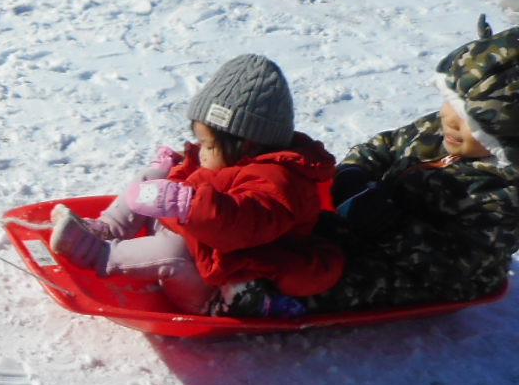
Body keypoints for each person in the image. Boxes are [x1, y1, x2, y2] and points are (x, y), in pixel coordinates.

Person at [49, 54, 341, 317]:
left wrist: (186, 204)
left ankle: (96, 254)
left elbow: (239, 225)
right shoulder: (231, 160)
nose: (202, 152)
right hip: (201, 244)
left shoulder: (279, 183)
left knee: (173, 249)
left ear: (247, 146)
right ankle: (107, 229)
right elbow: (203, 180)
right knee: (154, 177)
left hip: (220, 284)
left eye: (208, 145)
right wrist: (176, 170)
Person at [304, 19, 519, 313]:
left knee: (341, 276)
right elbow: (387, 144)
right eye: (451, 101)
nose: (449, 118)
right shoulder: (443, 131)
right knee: (303, 221)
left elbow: (456, 266)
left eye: (472, 120)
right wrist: (357, 169)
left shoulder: (504, 196)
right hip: (378, 223)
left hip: (434, 276)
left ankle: (268, 299)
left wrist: (387, 225)